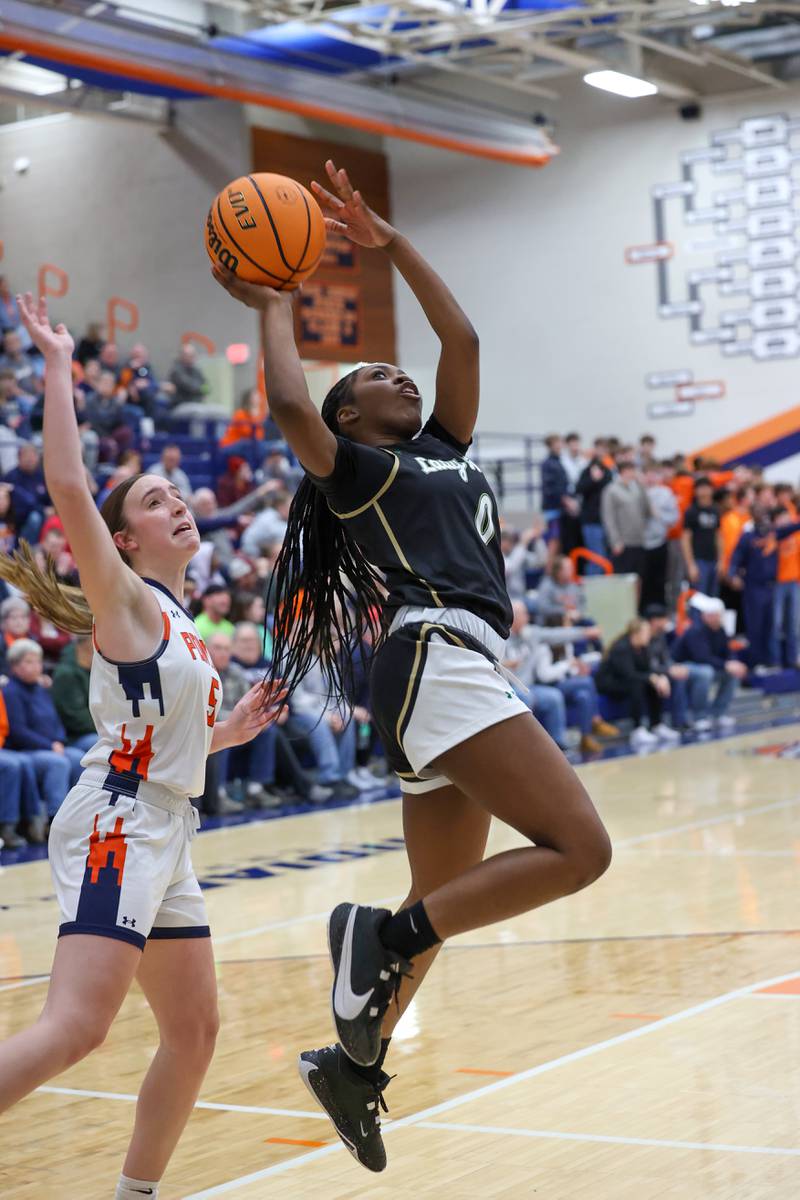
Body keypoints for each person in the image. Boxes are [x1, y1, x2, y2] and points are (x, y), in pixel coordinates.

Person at [214, 158, 611, 1173]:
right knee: (579, 851)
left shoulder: (445, 445)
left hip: (439, 669)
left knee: (440, 897)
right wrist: (275, 303)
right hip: (436, 656)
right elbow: (291, 407)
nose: (397, 375)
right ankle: (375, 942)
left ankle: (356, 1062)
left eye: (397, 370)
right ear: (349, 418)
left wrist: (392, 245)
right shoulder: (359, 472)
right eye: (372, 377)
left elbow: (460, 339)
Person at [0, 291, 281, 1200]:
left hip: (165, 824)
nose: (180, 504)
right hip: (117, 825)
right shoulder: (124, 597)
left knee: (194, 1033)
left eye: (177, 494)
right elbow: (68, 485)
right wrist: (56, 365)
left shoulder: (182, 622)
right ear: (123, 540)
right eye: (156, 502)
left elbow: (160, 741)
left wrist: (227, 733)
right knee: (77, 1028)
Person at [532, 616, 619, 755]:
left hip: (565, 683)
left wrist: (578, 669)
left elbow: (570, 668)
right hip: (549, 686)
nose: (569, 627)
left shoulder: (567, 643)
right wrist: (567, 665)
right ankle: (596, 719)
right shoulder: (544, 646)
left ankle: (585, 738)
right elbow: (544, 675)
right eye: (566, 623)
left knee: (583, 696)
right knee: (587, 681)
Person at [594, 618, 680, 750]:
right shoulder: (621, 648)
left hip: (627, 681)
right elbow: (628, 675)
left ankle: (657, 725)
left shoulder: (643, 647)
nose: (649, 635)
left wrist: (660, 678)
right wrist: (651, 677)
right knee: (638, 684)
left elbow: (648, 670)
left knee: (652, 684)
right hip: (610, 684)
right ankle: (637, 730)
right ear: (636, 634)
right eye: (646, 632)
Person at [672, 597, 748, 731]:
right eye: (711, 615)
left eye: (717, 615)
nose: (715, 618)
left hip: (707, 666)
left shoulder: (721, 630)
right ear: (704, 616)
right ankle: (699, 717)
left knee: (732, 673)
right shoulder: (696, 631)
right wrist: (726, 665)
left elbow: (727, 653)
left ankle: (718, 713)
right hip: (682, 666)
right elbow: (702, 657)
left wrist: (733, 663)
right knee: (706, 673)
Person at [600, 458, 649, 578]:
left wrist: (643, 486)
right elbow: (608, 517)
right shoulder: (611, 490)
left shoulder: (637, 488)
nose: (633, 473)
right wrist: (615, 541)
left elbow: (646, 510)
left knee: (639, 577)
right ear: (623, 471)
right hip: (623, 542)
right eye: (631, 470)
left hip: (639, 540)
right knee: (623, 578)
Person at [682, 476, 721, 598]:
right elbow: (685, 539)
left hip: (713, 559)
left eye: (706, 487)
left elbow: (718, 536)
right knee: (699, 598)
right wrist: (690, 565)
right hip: (699, 560)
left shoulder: (715, 510)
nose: (704, 491)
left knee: (713, 598)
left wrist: (721, 560)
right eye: (701, 488)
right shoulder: (691, 511)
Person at [576, 452, 613, 573]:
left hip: (607, 521)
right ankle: (593, 582)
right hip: (591, 521)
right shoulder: (586, 472)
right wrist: (593, 479)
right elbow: (579, 489)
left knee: (606, 558)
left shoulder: (607, 472)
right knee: (596, 557)